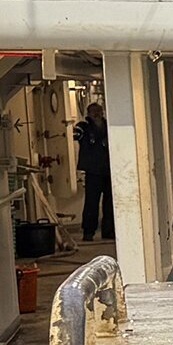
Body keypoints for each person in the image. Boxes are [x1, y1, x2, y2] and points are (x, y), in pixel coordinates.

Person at [72, 103, 111, 243]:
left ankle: (109, 231)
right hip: (93, 171)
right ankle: (88, 232)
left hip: (109, 170)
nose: (97, 114)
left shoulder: (109, 126)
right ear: (88, 113)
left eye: (99, 111)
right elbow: (75, 134)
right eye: (94, 112)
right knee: (91, 203)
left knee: (110, 203)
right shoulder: (84, 127)